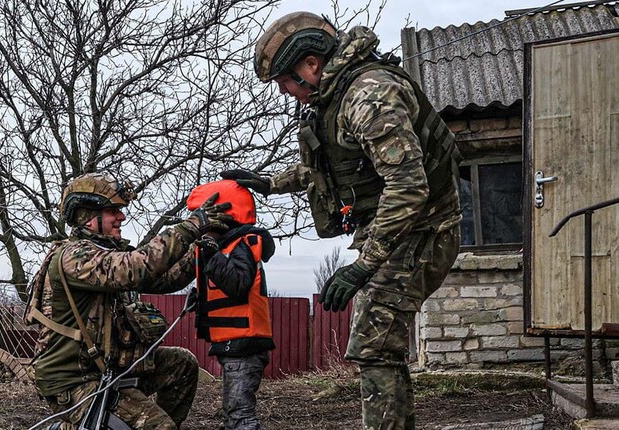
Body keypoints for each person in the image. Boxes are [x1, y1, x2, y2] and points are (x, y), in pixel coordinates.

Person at [222, 12, 462, 429]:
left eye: (285, 79)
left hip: (426, 228)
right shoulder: (335, 100)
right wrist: (269, 183)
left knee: (372, 343)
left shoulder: (368, 96)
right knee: (377, 345)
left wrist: (364, 265)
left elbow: (408, 186)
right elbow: (330, 169)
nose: (285, 90)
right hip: (402, 231)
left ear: (311, 65)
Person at [27, 172, 235, 430]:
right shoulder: (74, 256)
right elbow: (138, 266)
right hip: (73, 381)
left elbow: (165, 278)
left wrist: (203, 246)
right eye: (114, 210)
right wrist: (191, 226)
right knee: (159, 427)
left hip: (109, 369)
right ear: (89, 217)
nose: (121, 217)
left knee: (181, 364)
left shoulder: (106, 253)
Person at [187, 180, 275, 430]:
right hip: (234, 344)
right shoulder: (226, 248)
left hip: (245, 344)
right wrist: (199, 296)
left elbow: (238, 284)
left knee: (240, 416)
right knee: (233, 413)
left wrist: (211, 255)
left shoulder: (243, 244)